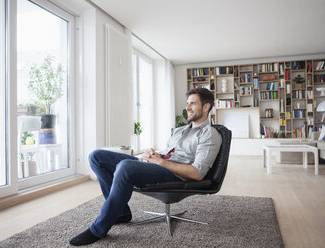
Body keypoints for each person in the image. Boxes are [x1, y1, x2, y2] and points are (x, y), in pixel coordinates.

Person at [70, 88, 222, 246]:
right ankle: (121, 214)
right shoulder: (179, 131)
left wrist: (161, 162)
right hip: (161, 165)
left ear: (206, 107)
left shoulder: (209, 134)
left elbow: (197, 173)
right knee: (97, 157)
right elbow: (170, 154)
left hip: (175, 175)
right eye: (187, 103)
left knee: (126, 167)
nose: (187, 107)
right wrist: (155, 156)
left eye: (193, 103)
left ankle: (98, 229)